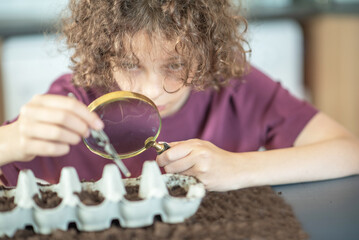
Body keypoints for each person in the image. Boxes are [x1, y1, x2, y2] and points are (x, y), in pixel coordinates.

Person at [1, 0, 359, 191]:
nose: (152, 91)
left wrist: (239, 168)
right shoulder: (76, 101)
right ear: (102, 53)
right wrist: (13, 140)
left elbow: (349, 151)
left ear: (206, 52)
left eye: (175, 65)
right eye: (129, 63)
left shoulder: (234, 85)